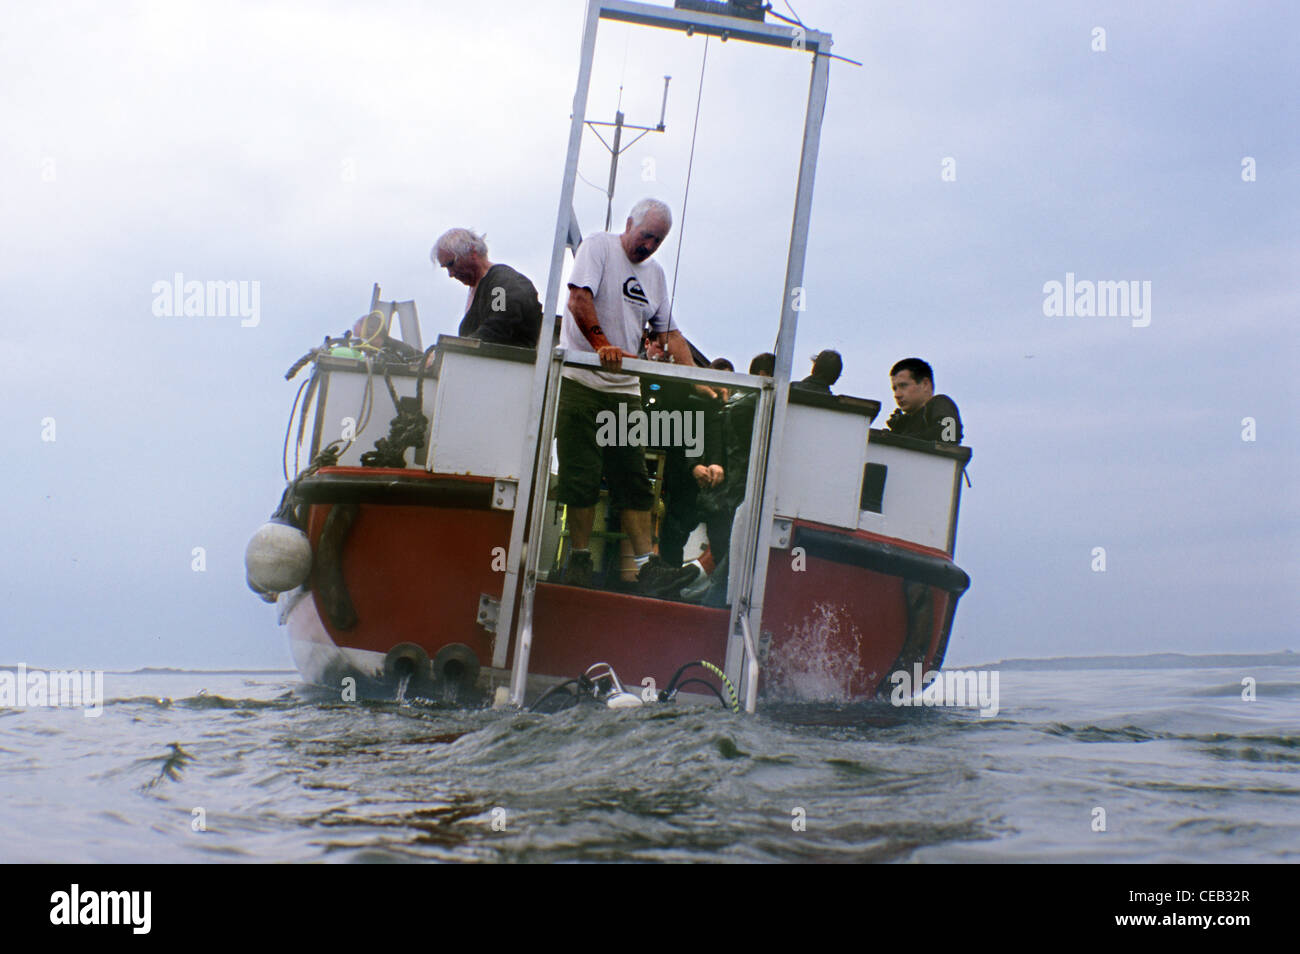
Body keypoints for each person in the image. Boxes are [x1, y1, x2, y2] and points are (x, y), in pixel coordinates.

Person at [555, 198, 700, 597]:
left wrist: (697, 378)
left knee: (635, 480)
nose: (650, 245)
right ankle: (580, 559)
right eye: (646, 235)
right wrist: (602, 344)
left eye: (658, 240)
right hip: (582, 384)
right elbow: (578, 300)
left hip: (624, 391)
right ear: (629, 224)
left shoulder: (654, 275)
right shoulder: (598, 248)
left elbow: (669, 332)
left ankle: (646, 567)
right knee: (580, 477)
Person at [431, 228, 542, 348]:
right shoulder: (481, 287)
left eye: (451, 264)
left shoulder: (500, 284)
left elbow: (499, 324)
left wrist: (458, 348)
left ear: (472, 253)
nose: (451, 274)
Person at [885, 357, 963, 443]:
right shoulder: (904, 424)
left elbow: (949, 435)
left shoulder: (940, 403)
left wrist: (900, 439)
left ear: (925, 384)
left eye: (903, 386)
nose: (897, 395)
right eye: (895, 389)